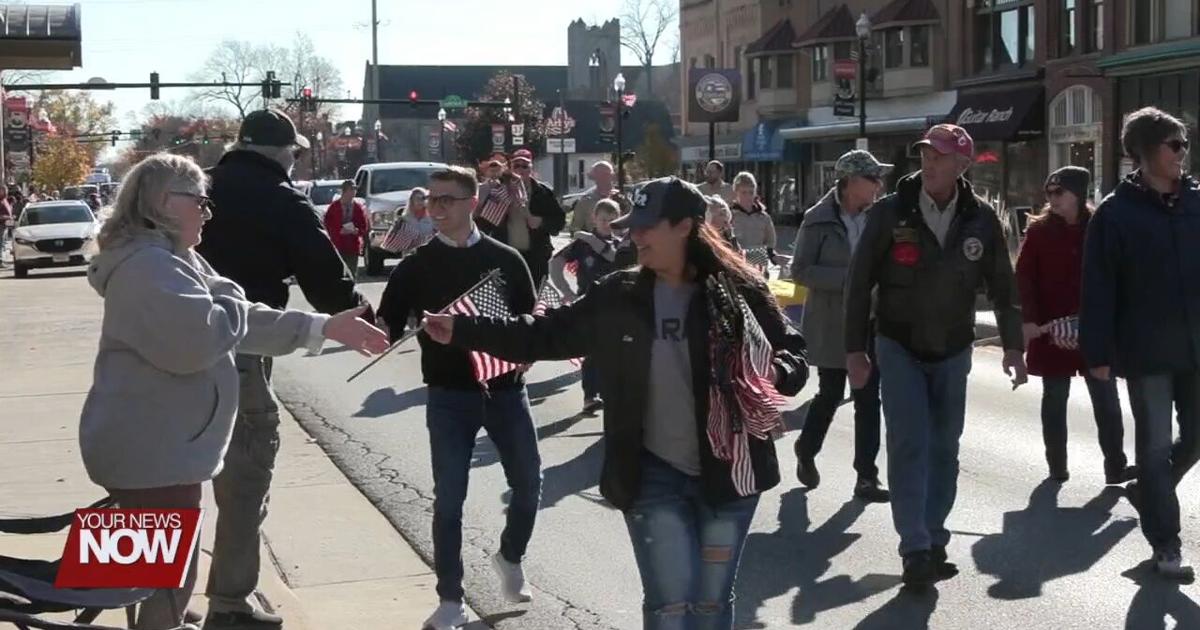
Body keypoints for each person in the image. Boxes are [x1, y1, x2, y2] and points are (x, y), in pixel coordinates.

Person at [422, 177, 809, 629]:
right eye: (631, 225)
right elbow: (543, 333)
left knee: (711, 604)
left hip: (731, 473)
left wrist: (772, 374)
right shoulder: (620, 293)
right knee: (669, 605)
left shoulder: (738, 290)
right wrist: (465, 330)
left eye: (646, 226)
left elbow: (793, 351)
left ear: (685, 226)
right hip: (652, 476)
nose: (634, 235)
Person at [78, 153, 387, 630]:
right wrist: (229, 299)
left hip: (152, 447)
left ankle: (160, 618)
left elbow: (237, 320)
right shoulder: (148, 267)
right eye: (200, 201)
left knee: (144, 576)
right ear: (164, 202)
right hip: (153, 452)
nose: (207, 211)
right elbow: (201, 340)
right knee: (159, 580)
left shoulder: (171, 259)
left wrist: (323, 327)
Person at [197, 109, 374, 630]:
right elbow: (325, 280)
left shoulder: (183, 197)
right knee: (244, 478)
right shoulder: (279, 197)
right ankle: (228, 607)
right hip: (240, 351)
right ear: (279, 153)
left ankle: (142, 605)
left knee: (156, 481)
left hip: (153, 358)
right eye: (295, 153)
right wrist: (364, 316)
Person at [844, 124, 1026, 588]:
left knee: (945, 448)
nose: (929, 162)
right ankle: (915, 547)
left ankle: (935, 534)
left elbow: (1005, 289)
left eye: (940, 156)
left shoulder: (982, 218)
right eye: (925, 153)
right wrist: (854, 350)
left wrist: (1013, 347)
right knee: (910, 443)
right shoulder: (890, 212)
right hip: (898, 343)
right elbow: (859, 281)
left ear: (961, 165)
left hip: (953, 347)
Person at [377, 166, 541, 630]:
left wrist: (527, 351)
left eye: (447, 200)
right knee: (449, 499)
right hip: (449, 394)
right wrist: (367, 327)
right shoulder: (416, 264)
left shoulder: (507, 260)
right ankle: (451, 598)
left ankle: (510, 557)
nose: (437, 208)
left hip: (505, 390)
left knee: (528, 482)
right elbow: (386, 325)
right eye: (432, 200)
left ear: (472, 203)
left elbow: (530, 322)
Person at [1080, 107, 1200, 580]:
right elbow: (1098, 286)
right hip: (1146, 349)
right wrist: (1097, 352)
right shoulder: (1115, 213)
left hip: (1197, 347)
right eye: (1175, 144)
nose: (1182, 153)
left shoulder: (1198, 202)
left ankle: (1148, 492)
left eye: (1185, 144)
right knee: (1151, 449)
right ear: (1146, 153)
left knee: (1194, 439)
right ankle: (1166, 544)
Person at [1016, 166, 1134, 485]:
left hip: (1094, 330)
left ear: (1078, 195)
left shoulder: (1100, 226)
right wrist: (1028, 319)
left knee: (1106, 398)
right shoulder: (1039, 231)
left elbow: (1117, 273)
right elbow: (1024, 277)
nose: (1052, 199)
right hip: (1051, 330)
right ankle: (1057, 465)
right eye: (1048, 194)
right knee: (1055, 398)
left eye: (1059, 193)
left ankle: (1116, 465)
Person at [791, 150, 891, 503]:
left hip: (871, 321)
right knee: (831, 393)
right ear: (850, 183)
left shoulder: (881, 216)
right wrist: (851, 278)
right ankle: (806, 447)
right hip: (833, 321)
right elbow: (800, 270)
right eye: (872, 178)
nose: (879, 185)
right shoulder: (817, 220)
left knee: (868, 397)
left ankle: (867, 477)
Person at [548, 198, 622, 413]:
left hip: (616, 304)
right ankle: (591, 396)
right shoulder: (581, 245)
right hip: (588, 302)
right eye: (603, 219)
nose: (607, 223)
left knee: (614, 351)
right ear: (594, 219)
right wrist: (566, 291)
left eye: (612, 219)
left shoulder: (621, 244)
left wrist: (592, 239)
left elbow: (616, 259)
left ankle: (612, 395)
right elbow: (555, 263)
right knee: (592, 350)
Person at [481, 148, 566, 287]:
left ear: (531, 169)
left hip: (536, 257)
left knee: (534, 299)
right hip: (506, 256)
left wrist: (541, 222)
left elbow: (559, 221)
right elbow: (484, 223)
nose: (520, 169)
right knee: (507, 300)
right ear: (510, 168)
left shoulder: (543, 192)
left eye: (525, 166)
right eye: (516, 165)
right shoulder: (499, 190)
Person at [730, 171, 782, 267]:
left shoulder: (763, 217)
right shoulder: (730, 216)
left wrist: (772, 255)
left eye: (751, 192)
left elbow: (770, 242)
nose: (748, 196)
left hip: (759, 263)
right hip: (737, 263)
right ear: (736, 192)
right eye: (743, 192)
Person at [323, 179, 368, 275]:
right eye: (351, 189)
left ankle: (351, 289)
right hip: (338, 245)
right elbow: (327, 224)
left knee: (351, 273)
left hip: (353, 246)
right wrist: (338, 231)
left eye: (354, 189)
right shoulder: (334, 207)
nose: (354, 192)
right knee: (338, 273)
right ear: (344, 191)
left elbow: (364, 225)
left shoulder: (358, 207)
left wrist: (358, 231)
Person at [569, 161, 620, 232]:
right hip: (594, 241)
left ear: (612, 176)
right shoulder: (586, 201)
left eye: (606, 174)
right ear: (594, 177)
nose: (604, 178)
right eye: (600, 175)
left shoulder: (621, 198)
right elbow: (575, 228)